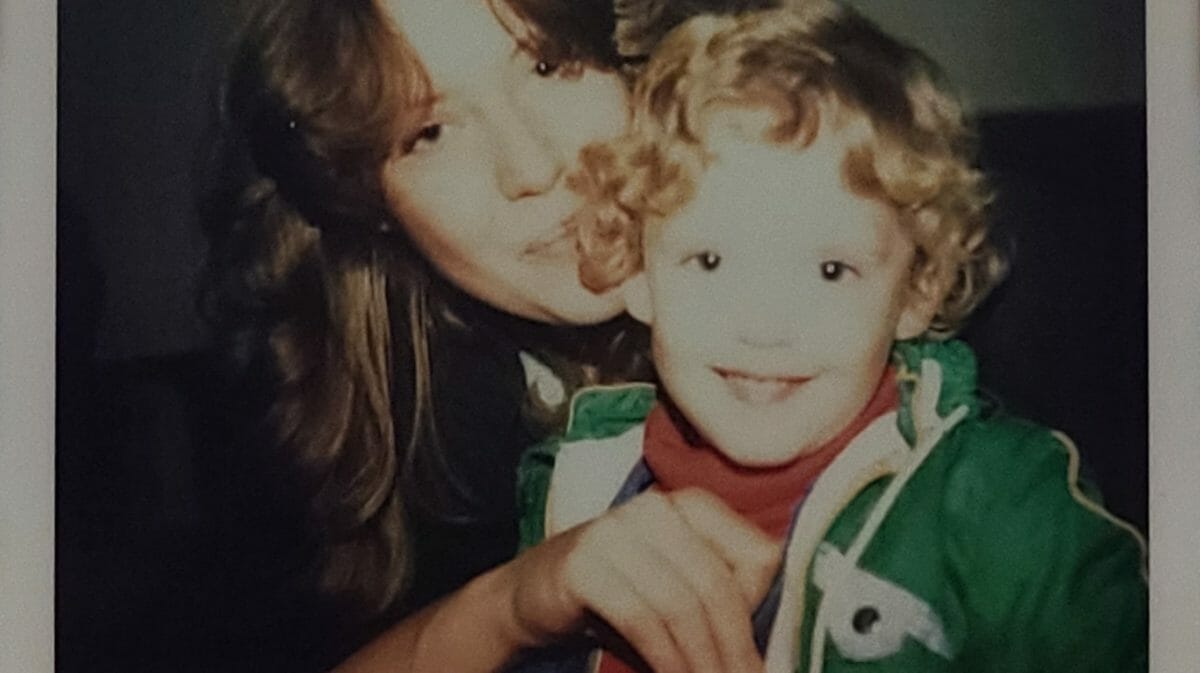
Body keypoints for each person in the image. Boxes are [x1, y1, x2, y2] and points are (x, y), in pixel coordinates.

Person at [515, 4, 1149, 672]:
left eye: (830, 269)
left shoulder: (1007, 509)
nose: (763, 326)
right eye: (708, 260)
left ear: (916, 290)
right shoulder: (572, 482)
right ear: (638, 274)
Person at [200, 1, 784, 672]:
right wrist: (512, 605)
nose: (530, 167)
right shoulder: (383, 420)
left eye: (548, 63)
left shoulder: (841, 281)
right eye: (430, 131)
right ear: (368, 201)